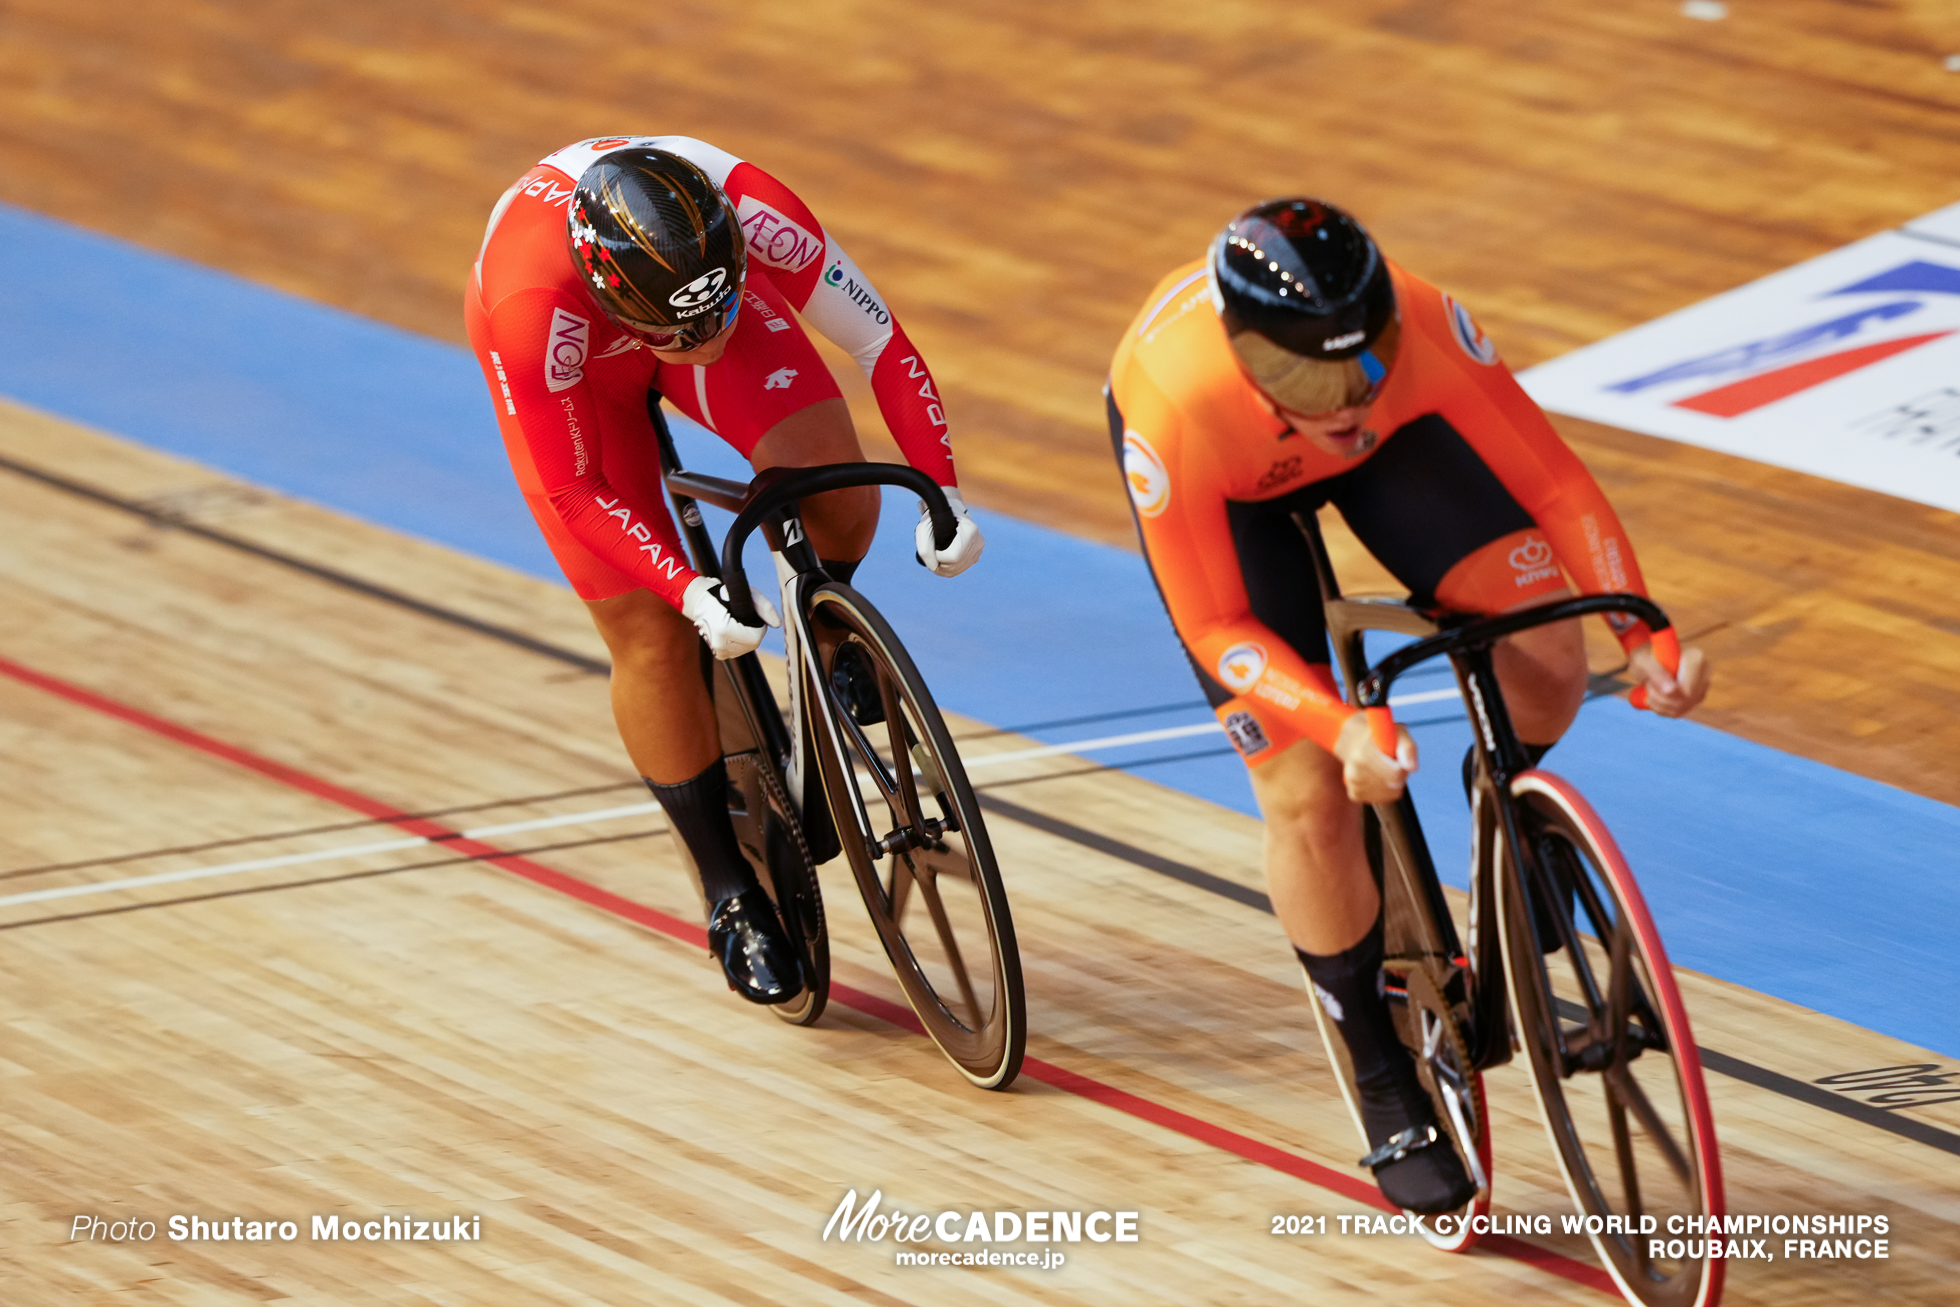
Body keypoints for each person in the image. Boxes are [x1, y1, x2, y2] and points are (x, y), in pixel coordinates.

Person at [1104, 197, 1710, 1213]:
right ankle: (1378, 1066)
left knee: (1547, 651)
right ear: (1249, 357)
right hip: (1231, 499)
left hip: (1390, 459)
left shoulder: (1424, 326)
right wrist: (1340, 724)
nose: (1345, 396)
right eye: (1307, 377)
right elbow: (1218, 627)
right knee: (1307, 791)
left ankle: (1502, 840)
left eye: (1366, 360)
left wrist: (1644, 633)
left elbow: (1554, 484)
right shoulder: (1176, 403)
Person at [465, 137, 983, 1007]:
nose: (699, 344)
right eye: (680, 334)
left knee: (843, 496)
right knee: (651, 636)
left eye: (715, 313)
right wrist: (687, 587)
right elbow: (573, 487)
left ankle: (831, 639)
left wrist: (950, 492)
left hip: (673, 294)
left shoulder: (754, 207)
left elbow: (879, 341)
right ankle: (727, 890)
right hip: (584, 370)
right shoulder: (530, 307)